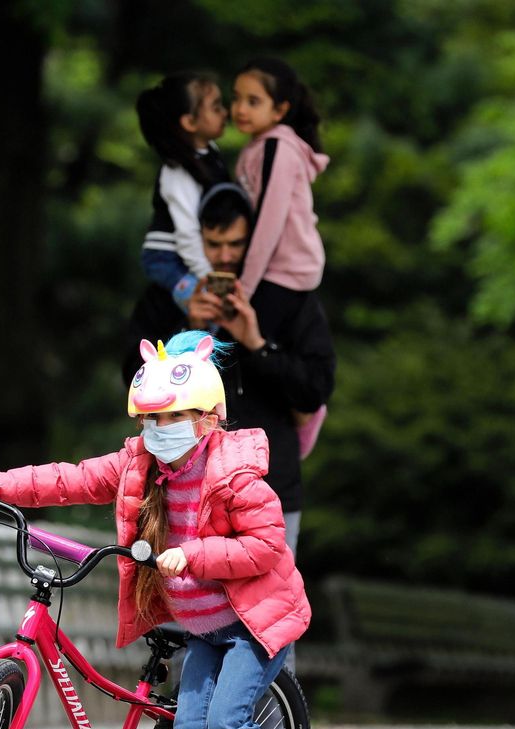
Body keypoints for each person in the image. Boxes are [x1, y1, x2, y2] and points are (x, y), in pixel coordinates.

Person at [0, 331, 318, 729]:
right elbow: (70, 479)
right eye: (150, 420)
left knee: (228, 720)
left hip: (253, 624)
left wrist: (193, 554)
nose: (158, 431)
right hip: (204, 631)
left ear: (208, 418)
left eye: (172, 419)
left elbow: (265, 547)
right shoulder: (139, 464)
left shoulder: (238, 475)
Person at [123, 184, 335, 552]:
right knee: (188, 605)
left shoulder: (288, 296)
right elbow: (134, 379)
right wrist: (188, 329)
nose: (224, 256)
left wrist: (257, 344)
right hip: (183, 491)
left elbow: (316, 388)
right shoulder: (166, 298)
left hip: (270, 488)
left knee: (267, 607)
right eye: (213, 244)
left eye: (236, 244)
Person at [230, 58, 328, 303]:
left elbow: (269, 221)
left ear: (280, 110)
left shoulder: (278, 149)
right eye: (236, 98)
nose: (240, 109)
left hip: (284, 274)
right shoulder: (258, 146)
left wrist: (246, 286)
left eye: (253, 102)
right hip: (270, 272)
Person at [137, 72, 230, 312]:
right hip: (167, 259)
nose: (226, 112)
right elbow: (187, 232)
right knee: (209, 308)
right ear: (189, 122)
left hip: (188, 254)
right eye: (216, 107)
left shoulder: (210, 153)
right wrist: (210, 277)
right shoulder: (178, 171)